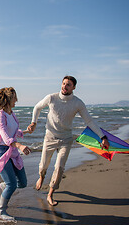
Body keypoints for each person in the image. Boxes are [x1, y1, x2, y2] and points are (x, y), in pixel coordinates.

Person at [27, 76, 110, 206]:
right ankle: (42, 177)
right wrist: (33, 122)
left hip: (66, 139)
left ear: (74, 87)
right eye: (64, 83)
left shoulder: (77, 103)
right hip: (50, 137)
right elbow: (37, 107)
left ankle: (50, 194)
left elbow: (89, 121)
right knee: (43, 165)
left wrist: (102, 137)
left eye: (68, 85)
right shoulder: (51, 98)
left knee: (59, 167)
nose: (65, 86)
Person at [0, 87, 31, 221]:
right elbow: (5, 137)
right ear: (7, 99)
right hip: (2, 152)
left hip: (12, 152)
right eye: (14, 98)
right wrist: (19, 145)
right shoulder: (0, 116)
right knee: (12, 184)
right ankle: (1, 212)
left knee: (22, 183)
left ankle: (5, 185)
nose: (16, 100)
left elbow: (14, 132)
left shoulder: (11, 114)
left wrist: (27, 131)